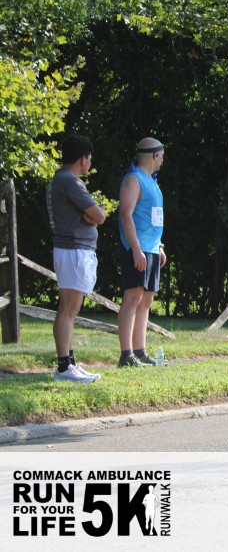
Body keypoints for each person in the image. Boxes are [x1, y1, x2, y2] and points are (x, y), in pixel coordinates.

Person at [46, 134, 106, 383]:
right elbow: (99, 216)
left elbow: (92, 216)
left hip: (72, 250)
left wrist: (89, 216)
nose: (90, 163)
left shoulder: (61, 180)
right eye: (89, 158)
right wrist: (91, 216)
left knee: (70, 309)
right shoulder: (70, 182)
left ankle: (69, 363)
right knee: (68, 309)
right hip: (73, 250)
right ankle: (64, 368)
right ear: (83, 159)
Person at [116, 137, 166, 368]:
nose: (163, 160)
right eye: (162, 156)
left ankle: (140, 351)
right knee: (133, 298)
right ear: (155, 155)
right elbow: (126, 214)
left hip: (152, 249)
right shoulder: (133, 179)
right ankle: (126, 355)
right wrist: (136, 248)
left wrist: (160, 246)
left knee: (146, 300)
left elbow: (153, 218)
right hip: (137, 248)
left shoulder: (153, 182)